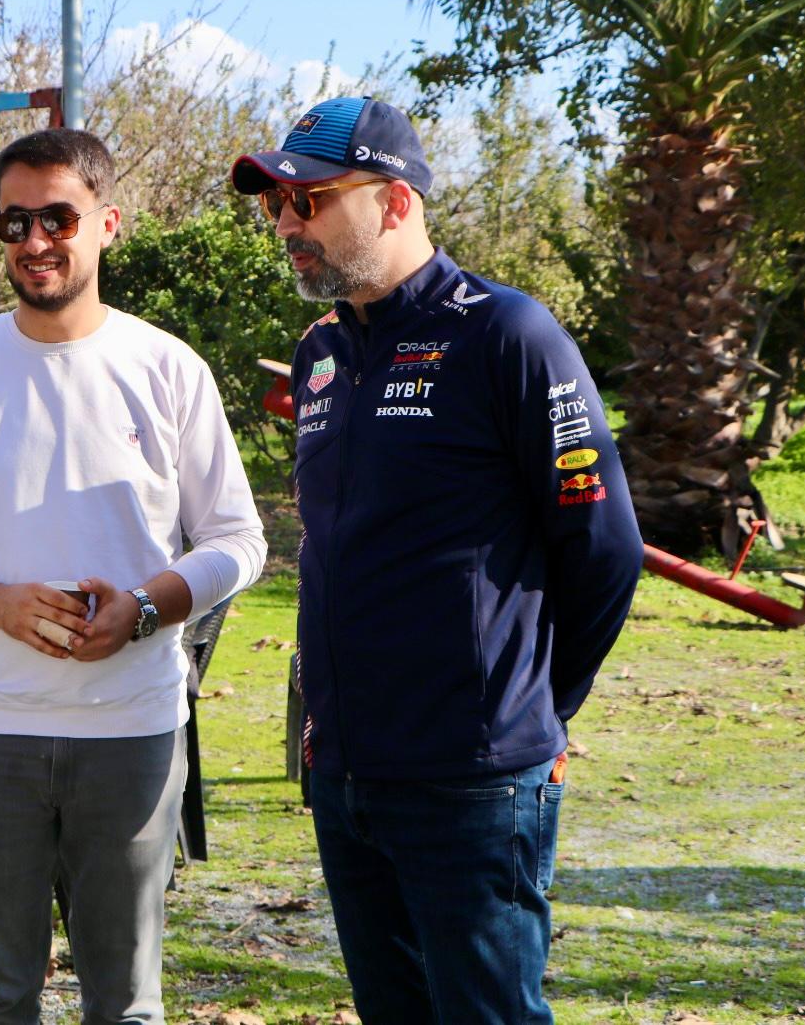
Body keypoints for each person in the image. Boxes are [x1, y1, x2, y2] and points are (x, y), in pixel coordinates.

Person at [231, 95, 644, 1024]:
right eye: (276, 207)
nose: (290, 226)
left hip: (474, 780)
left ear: (396, 200)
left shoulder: (508, 335)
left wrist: (531, 706)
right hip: (346, 774)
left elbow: (605, 551)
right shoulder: (323, 352)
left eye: (311, 201)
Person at [0, 129, 267, 1024]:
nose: (35, 240)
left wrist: (147, 612)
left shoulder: (168, 371)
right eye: (14, 222)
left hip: (129, 732)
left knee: (125, 1005)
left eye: (58, 217)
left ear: (107, 223)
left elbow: (239, 539)